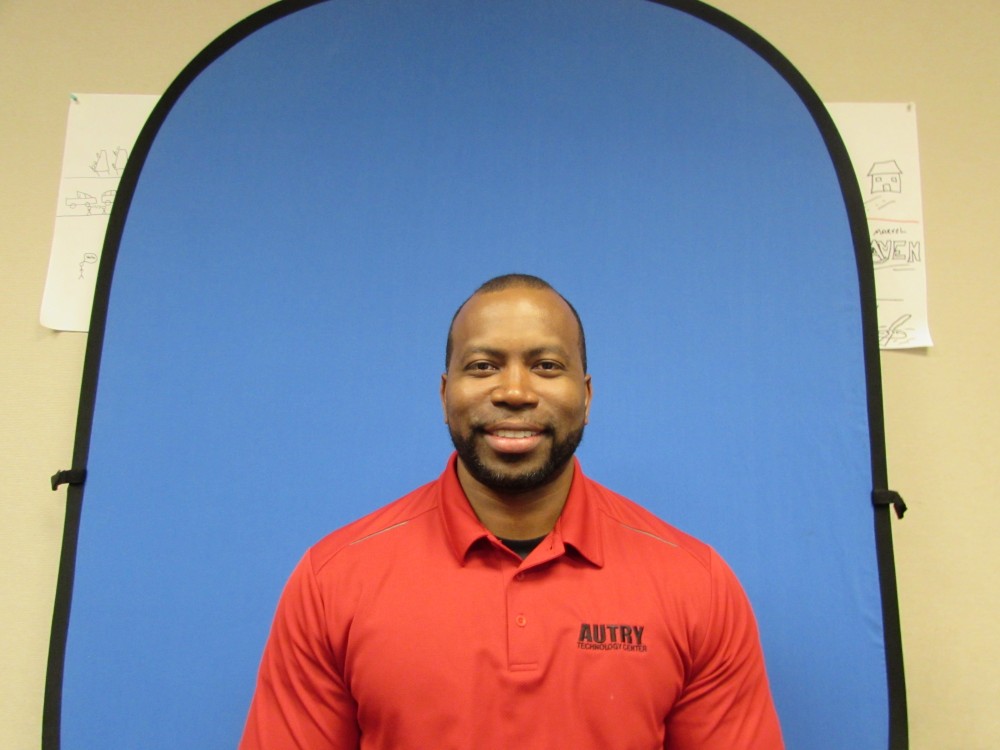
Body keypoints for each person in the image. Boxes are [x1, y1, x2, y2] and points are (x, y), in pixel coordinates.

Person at [240, 273, 783, 749]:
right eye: (483, 366)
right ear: (445, 395)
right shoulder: (333, 581)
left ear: (587, 397)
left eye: (546, 366)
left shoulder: (696, 585)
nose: (515, 391)